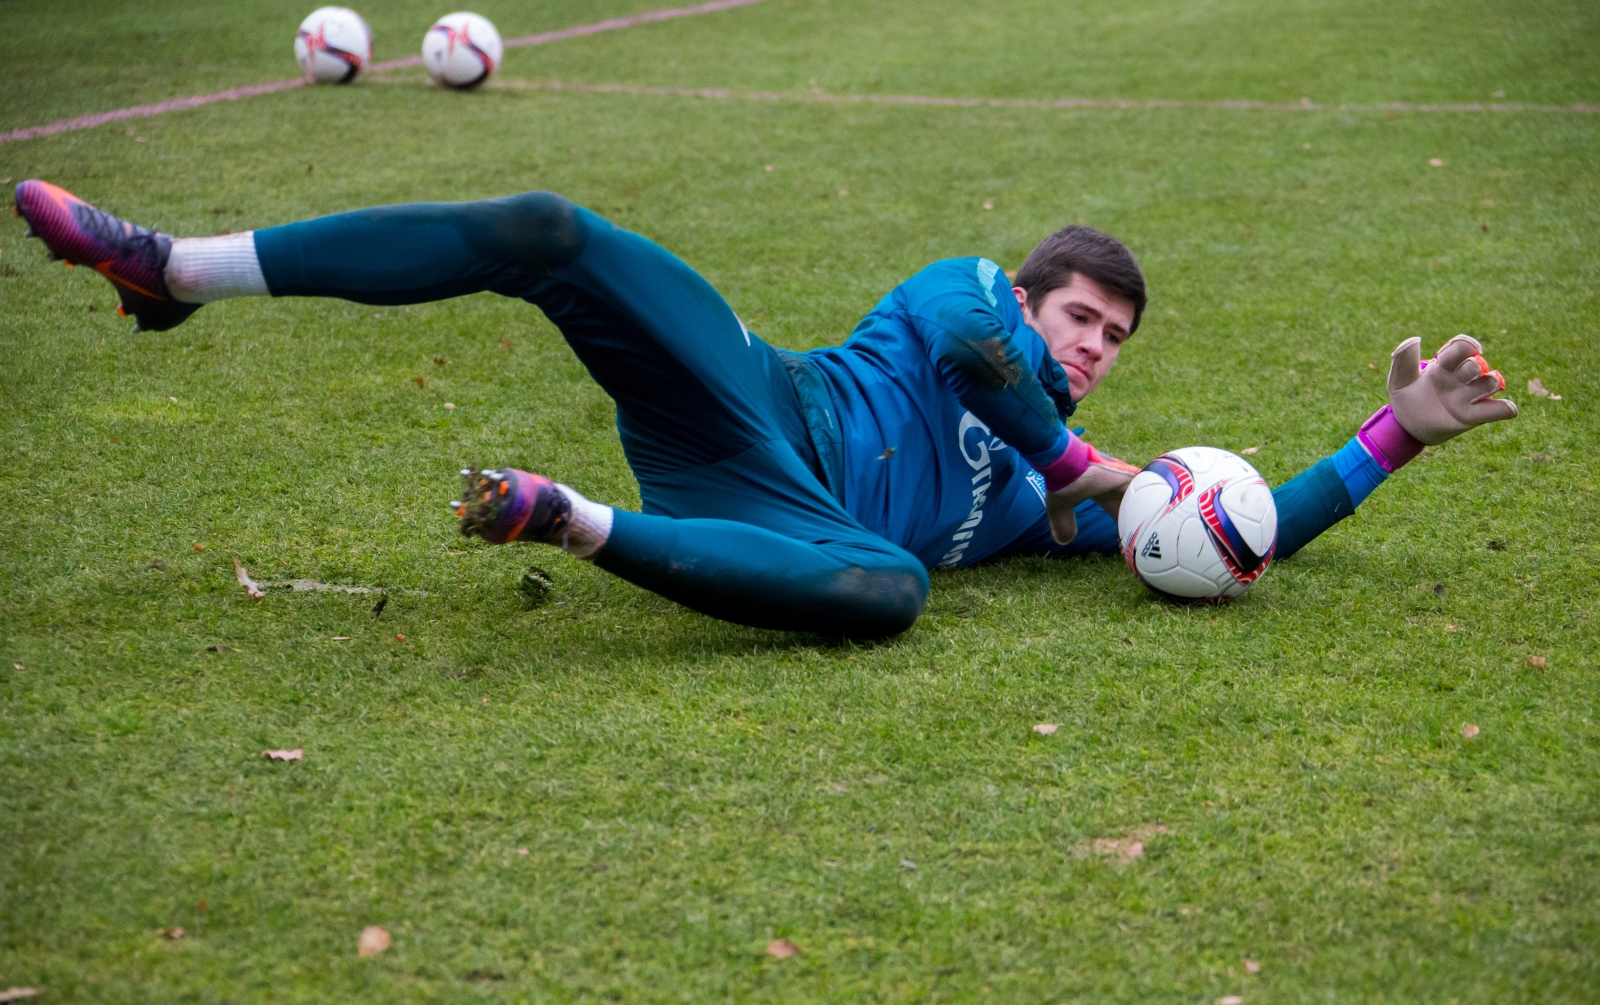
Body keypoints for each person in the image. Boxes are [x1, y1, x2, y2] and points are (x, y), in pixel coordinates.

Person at [13, 181, 1518, 637]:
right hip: (761, 400)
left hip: (777, 522)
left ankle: (573, 520)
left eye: (1117, 341)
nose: (1095, 347)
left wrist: (1395, 437)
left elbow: (1241, 534)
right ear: (1031, 294)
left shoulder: (1052, 511)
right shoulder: (966, 297)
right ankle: (176, 271)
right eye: (1082, 319)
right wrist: (1085, 465)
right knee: (550, 232)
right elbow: (968, 345)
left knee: (891, 590)